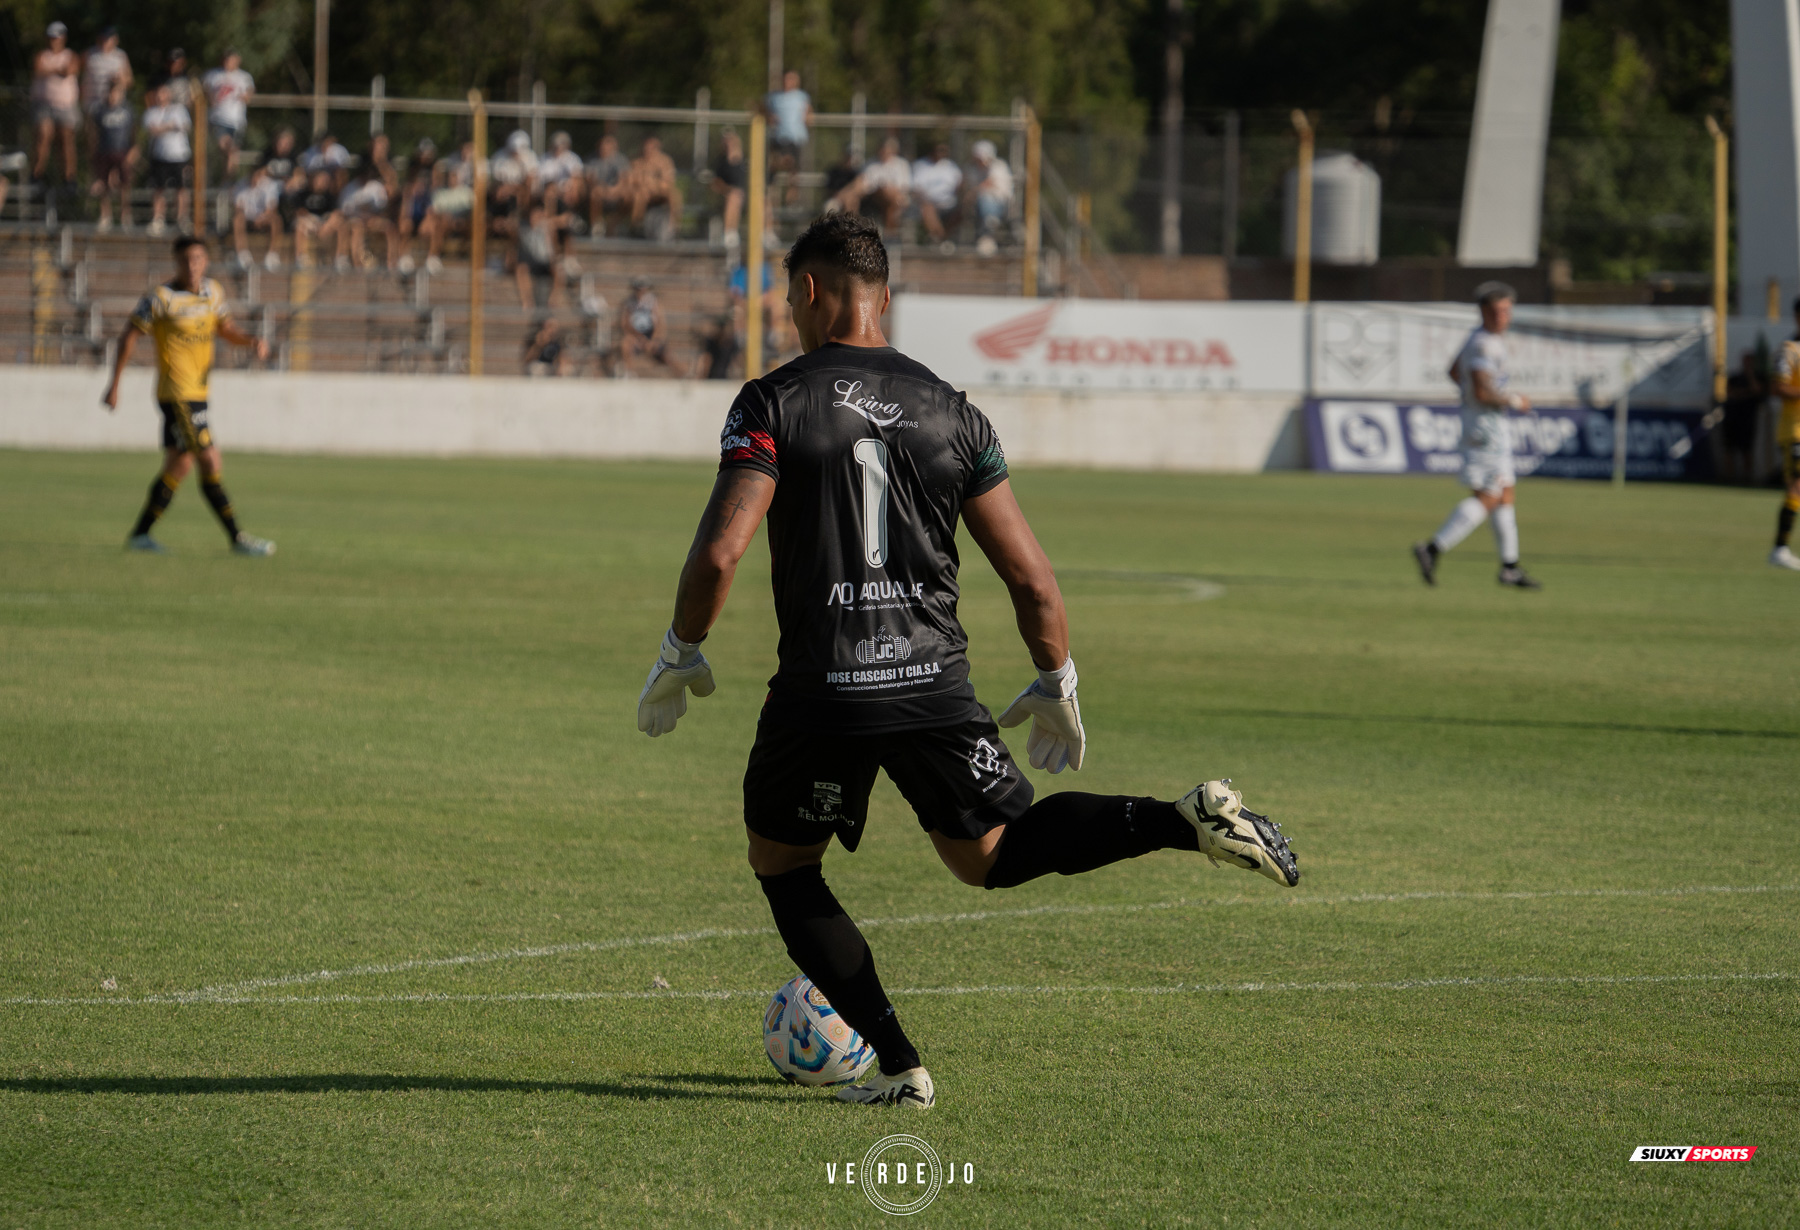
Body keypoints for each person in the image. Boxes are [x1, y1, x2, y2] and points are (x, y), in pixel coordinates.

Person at [634, 213, 1298, 1109]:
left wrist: (682, 649)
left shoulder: (771, 400)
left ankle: (902, 1069)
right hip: (931, 683)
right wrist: (1055, 677)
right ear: (887, 299)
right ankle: (1183, 821)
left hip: (824, 691)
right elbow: (1030, 575)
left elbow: (720, 553)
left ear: (806, 292)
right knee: (992, 854)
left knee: (785, 868)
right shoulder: (955, 410)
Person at [101, 236, 275, 558]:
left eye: (197, 259)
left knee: (179, 464)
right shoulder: (161, 298)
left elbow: (225, 329)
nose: (192, 266)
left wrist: (251, 341)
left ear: (205, 262)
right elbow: (130, 335)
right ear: (175, 262)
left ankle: (140, 535)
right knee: (209, 458)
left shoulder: (213, 293)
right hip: (177, 394)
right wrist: (115, 384)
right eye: (185, 260)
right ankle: (237, 538)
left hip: (199, 393)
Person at [1412, 282, 1541, 589]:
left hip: (1485, 422)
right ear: (1484, 312)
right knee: (1488, 496)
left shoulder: (1480, 339)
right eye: (1497, 311)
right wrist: (1513, 400)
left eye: (1507, 310)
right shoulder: (1485, 345)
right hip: (1486, 427)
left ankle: (1509, 567)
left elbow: (1455, 372)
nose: (1503, 316)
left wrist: (1471, 397)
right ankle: (1432, 548)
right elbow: (1482, 391)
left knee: (1504, 494)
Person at [1767, 301, 1800, 570]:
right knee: (1797, 485)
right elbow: (1778, 388)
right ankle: (1780, 549)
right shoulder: (1789, 350)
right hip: (1795, 432)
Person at [31, 22, 81, 188]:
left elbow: (70, 70)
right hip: (44, 105)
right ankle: (37, 175)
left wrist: (50, 70)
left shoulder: (71, 55)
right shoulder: (41, 55)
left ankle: (68, 178)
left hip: (66, 106)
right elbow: (38, 69)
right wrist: (58, 70)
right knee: (43, 136)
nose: (54, 41)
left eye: (57, 38)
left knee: (66, 140)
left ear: (63, 38)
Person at [141, 81, 193, 238]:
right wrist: (170, 126)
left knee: (181, 188)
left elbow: (185, 126)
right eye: (158, 93)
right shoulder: (150, 112)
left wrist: (164, 127)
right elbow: (153, 130)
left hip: (179, 155)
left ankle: (182, 219)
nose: (160, 96)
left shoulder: (179, 109)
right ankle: (158, 219)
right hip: (159, 156)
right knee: (158, 189)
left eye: (163, 93)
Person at [89, 77, 138, 232]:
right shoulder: (99, 111)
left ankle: (125, 215)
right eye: (111, 92)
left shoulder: (128, 111)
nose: (113, 96)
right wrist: (93, 154)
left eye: (116, 92)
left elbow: (134, 134)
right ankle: (105, 215)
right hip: (104, 152)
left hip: (123, 152)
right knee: (104, 185)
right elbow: (93, 134)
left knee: (124, 184)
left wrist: (133, 152)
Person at [833, 137, 911, 232]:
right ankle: (850, 231)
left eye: (887, 150)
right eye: (882, 149)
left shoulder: (901, 165)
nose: (884, 152)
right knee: (852, 198)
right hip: (872, 197)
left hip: (895, 198)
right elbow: (863, 183)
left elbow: (903, 187)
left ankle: (891, 233)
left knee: (890, 199)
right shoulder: (871, 163)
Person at [203, 50, 255, 174]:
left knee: (232, 153)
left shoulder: (244, 77)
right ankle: (224, 179)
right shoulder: (213, 75)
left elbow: (249, 96)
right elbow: (203, 91)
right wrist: (210, 98)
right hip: (218, 118)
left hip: (236, 120)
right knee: (226, 147)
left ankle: (228, 182)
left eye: (231, 59)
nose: (228, 62)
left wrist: (243, 96)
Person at [764, 69, 812, 203]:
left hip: (795, 137)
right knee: (774, 163)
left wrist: (807, 119)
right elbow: (766, 111)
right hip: (779, 136)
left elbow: (809, 113)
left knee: (792, 164)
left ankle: (792, 193)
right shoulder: (773, 97)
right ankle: (770, 193)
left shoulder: (801, 97)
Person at [1719, 350, 1766, 487]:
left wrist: (1750, 377)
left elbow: (1757, 391)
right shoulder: (1734, 377)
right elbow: (1730, 393)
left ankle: (1747, 478)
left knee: (1747, 450)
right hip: (1732, 417)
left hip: (1748, 418)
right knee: (1729, 448)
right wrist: (1746, 393)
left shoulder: (1759, 377)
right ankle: (1729, 478)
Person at [231, 159, 284, 270]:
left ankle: (272, 254)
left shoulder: (270, 185)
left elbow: (272, 208)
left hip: (264, 219)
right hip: (247, 220)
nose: (255, 179)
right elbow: (238, 208)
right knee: (237, 219)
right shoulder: (240, 185)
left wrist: (262, 218)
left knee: (276, 220)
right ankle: (242, 254)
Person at [628, 135, 682, 240]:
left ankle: (674, 227)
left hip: (659, 192)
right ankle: (636, 226)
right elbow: (632, 180)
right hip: (643, 192)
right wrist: (648, 184)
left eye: (652, 147)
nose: (648, 150)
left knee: (675, 194)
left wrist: (652, 184)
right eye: (646, 147)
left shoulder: (665, 160)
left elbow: (668, 181)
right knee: (640, 194)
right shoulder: (636, 162)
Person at [619, 276, 677, 372]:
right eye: (638, 288)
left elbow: (659, 323)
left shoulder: (653, 302)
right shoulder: (629, 303)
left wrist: (654, 339)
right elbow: (625, 323)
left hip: (651, 335)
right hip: (635, 336)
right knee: (625, 344)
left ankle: (682, 375)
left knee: (666, 355)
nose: (640, 291)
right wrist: (637, 337)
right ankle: (629, 374)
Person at [912, 142, 963, 249]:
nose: (941, 153)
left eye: (944, 151)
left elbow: (959, 184)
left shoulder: (951, 166)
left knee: (962, 211)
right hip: (928, 202)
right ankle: (942, 240)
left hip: (949, 203)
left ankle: (939, 239)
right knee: (927, 209)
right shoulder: (920, 165)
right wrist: (925, 199)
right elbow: (916, 188)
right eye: (939, 150)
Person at [969, 140, 1013, 256]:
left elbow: (989, 183)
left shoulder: (998, 166)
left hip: (1000, 204)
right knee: (981, 200)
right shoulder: (973, 169)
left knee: (986, 198)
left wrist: (974, 192)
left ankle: (989, 225)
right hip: (977, 205)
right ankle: (988, 229)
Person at [586, 133, 633, 236]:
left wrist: (613, 190)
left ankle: (618, 223)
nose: (604, 147)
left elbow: (624, 180)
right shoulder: (592, 159)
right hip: (600, 190)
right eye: (603, 144)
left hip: (616, 190)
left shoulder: (621, 160)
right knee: (594, 193)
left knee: (628, 195)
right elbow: (590, 179)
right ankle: (597, 224)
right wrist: (602, 189)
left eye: (608, 144)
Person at [711, 129, 747, 248]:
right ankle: (729, 234)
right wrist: (728, 190)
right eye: (726, 141)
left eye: (731, 140)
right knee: (733, 197)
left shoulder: (746, 160)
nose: (728, 143)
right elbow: (716, 183)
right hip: (730, 196)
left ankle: (767, 235)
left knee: (764, 200)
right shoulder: (721, 162)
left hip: (748, 196)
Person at [694, 311, 739, 379]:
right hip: (711, 378)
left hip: (723, 378)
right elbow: (706, 359)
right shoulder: (712, 342)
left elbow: (737, 361)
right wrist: (701, 376)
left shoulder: (732, 343)